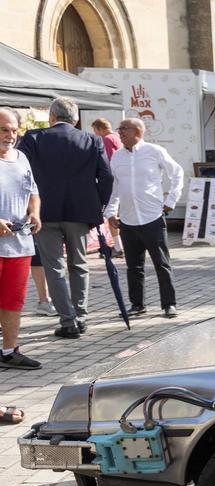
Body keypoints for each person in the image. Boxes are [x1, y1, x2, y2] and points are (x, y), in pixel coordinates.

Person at [19, 96, 113, 340]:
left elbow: (20, 172)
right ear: (76, 119)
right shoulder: (92, 140)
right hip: (80, 212)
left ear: (51, 117)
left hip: (44, 212)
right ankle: (81, 315)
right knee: (79, 264)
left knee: (54, 267)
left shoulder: (33, 138)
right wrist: (98, 205)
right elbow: (106, 177)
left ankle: (68, 320)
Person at [104, 118, 184, 319]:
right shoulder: (117, 157)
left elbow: (177, 173)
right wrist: (110, 212)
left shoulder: (154, 152)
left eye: (123, 129)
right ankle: (137, 304)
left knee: (162, 264)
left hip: (152, 218)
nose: (119, 132)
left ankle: (169, 304)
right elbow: (115, 187)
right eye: (119, 129)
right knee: (133, 266)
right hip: (129, 220)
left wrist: (172, 200)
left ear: (137, 131)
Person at [0, 107, 43, 369]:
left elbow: (32, 191)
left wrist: (35, 213)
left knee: (13, 301)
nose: (10, 135)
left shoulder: (21, 158)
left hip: (19, 244)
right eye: (4, 130)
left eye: (14, 130)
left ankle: (9, 351)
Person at [90, 118, 124, 257]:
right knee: (119, 214)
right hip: (122, 181)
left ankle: (118, 247)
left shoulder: (107, 139)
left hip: (112, 182)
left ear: (100, 129)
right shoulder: (117, 137)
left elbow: (107, 161)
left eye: (95, 131)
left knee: (111, 214)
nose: (96, 134)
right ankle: (121, 245)